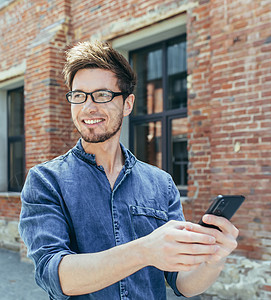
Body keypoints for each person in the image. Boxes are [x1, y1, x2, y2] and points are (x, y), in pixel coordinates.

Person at [19, 41, 239, 299]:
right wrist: (145, 250)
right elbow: (54, 276)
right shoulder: (45, 180)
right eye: (78, 96)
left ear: (127, 104)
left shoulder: (161, 183)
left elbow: (182, 283)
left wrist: (214, 259)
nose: (88, 107)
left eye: (102, 95)